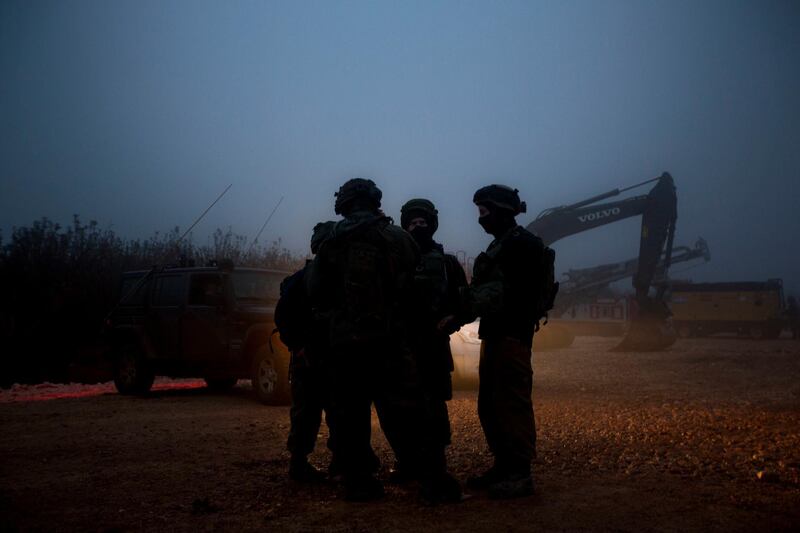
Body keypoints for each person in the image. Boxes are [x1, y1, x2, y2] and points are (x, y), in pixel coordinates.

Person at [444, 184, 546, 499]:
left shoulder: (520, 246)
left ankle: (519, 474)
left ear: (501, 211)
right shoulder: (504, 244)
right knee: (490, 405)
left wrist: (457, 305)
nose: (480, 220)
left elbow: (498, 294)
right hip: (497, 335)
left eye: (484, 212)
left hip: (512, 337)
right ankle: (504, 467)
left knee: (510, 404)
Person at [387, 199, 469, 487]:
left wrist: (452, 320)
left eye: (423, 222)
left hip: (433, 347)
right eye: (412, 223)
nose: (418, 227)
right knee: (401, 408)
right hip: (402, 347)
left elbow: (463, 303)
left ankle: (436, 471)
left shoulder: (447, 264)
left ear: (432, 224)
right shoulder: (394, 260)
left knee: (433, 409)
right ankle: (408, 464)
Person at [275, 222, 342, 482]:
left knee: (335, 412)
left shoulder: (328, 276)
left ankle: (336, 462)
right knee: (309, 413)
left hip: (330, 356)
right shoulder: (303, 279)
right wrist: (299, 346)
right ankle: (300, 463)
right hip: (313, 357)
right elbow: (283, 316)